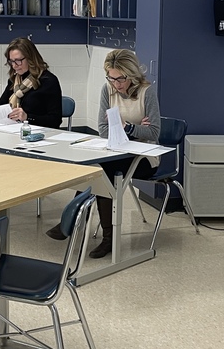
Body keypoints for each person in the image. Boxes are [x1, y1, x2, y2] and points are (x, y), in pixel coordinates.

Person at [46, 49, 160, 259]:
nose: (116, 83)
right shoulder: (107, 90)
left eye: (120, 79)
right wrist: (134, 127)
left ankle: (82, 226)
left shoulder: (147, 92)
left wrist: (127, 128)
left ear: (132, 74)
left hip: (144, 157)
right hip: (116, 150)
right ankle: (88, 226)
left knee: (103, 170)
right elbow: (103, 129)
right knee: (98, 168)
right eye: (111, 77)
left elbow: (153, 132)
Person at [0, 37, 62, 128]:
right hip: (14, 131)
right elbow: (0, 106)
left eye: (18, 61)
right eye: (11, 61)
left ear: (30, 58)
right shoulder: (14, 80)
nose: (14, 66)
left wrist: (27, 117)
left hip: (40, 134)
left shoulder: (48, 81)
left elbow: (55, 120)